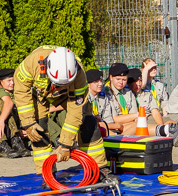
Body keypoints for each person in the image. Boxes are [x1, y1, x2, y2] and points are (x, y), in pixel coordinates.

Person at [13, 46, 115, 182]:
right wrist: (28, 122)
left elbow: (76, 111)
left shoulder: (79, 74)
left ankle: (99, 168)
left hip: (69, 95)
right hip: (41, 95)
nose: (58, 86)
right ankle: (47, 174)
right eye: (57, 83)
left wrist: (66, 144)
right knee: (38, 131)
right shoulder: (31, 63)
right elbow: (21, 92)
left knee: (88, 123)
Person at [99, 63, 178, 139]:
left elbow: (135, 116)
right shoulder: (106, 93)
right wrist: (136, 115)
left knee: (169, 122)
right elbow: (116, 119)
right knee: (138, 126)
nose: (121, 82)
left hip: (129, 124)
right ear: (111, 77)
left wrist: (135, 116)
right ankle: (166, 132)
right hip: (116, 127)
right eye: (118, 79)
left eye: (124, 80)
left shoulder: (128, 92)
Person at [0, 68, 30, 157]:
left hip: (20, 127)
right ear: (0, 82)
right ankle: (13, 140)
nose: (12, 83)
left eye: (13, 80)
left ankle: (16, 142)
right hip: (3, 129)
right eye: (9, 80)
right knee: (5, 106)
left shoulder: (18, 93)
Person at [139, 59, 170, 126]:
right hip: (148, 115)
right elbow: (142, 85)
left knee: (171, 123)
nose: (154, 70)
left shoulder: (159, 84)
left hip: (159, 113)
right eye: (151, 68)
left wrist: (165, 115)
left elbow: (164, 102)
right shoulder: (140, 84)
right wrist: (146, 69)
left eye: (155, 68)